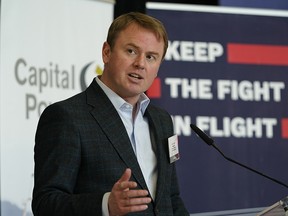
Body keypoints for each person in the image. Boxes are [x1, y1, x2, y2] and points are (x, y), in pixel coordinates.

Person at [32, 12, 189, 216]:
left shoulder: (162, 121)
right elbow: (46, 203)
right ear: (107, 52)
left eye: (151, 57)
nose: (140, 63)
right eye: (131, 51)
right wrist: (105, 204)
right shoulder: (67, 117)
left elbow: (171, 197)